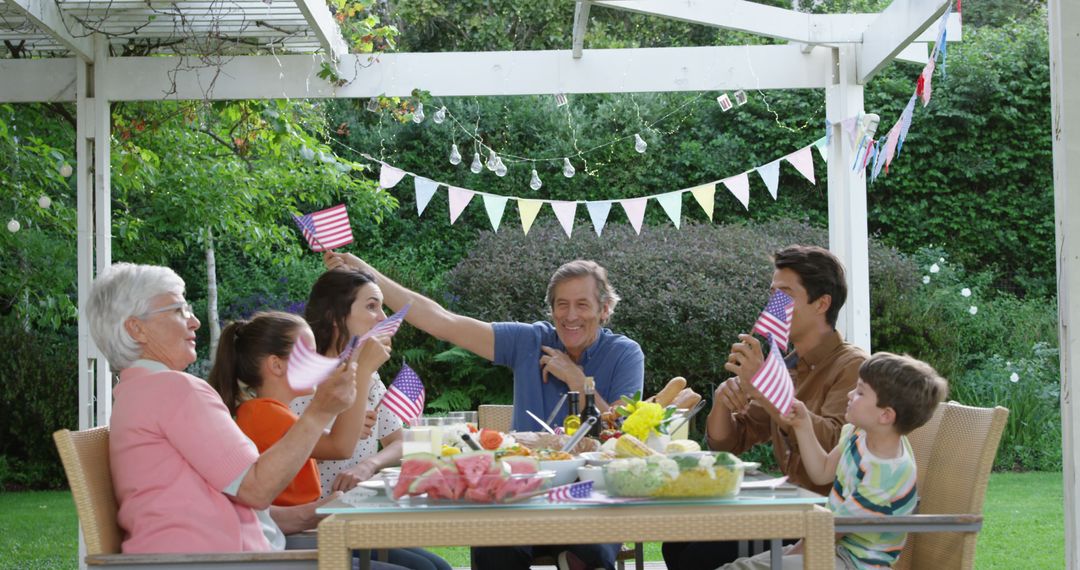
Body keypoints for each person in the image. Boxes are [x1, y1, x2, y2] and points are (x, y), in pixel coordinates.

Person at [324, 252, 645, 570]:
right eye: (562, 304)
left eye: (582, 304)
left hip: (590, 496)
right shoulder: (530, 341)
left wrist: (577, 381)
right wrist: (366, 273)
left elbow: (623, 434)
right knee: (492, 541)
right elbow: (442, 322)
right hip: (521, 497)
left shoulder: (625, 354)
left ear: (604, 310)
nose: (570, 315)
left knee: (596, 548)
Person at [83, 262, 400, 569]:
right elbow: (257, 489)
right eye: (178, 311)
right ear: (136, 328)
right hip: (219, 561)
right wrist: (320, 411)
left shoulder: (138, 392)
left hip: (212, 556)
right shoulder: (175, 391)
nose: (194, 321)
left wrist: (311, 513)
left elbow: (238, 498)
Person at [664, 245, 868, 569]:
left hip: (824, 521)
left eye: (785, 294)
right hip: (787, 508)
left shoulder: (853, 367)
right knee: (677, 542)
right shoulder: (787, 365)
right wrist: (722, 401)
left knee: (696, 556)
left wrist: (764, 388)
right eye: (773, 293)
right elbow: (731, 441)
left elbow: (831, 441)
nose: (773, 305)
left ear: (822, 303)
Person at [717, 352, 948, 569]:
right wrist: (803, 423)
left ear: (885, 415)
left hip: (853, 562)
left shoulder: (886, 476)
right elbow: (823, 471)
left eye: (859, 392)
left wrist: (786, 556)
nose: (849, 395)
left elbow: (828, 532)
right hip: (831, 547)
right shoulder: (860, 434)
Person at [291, 267, 452, 570]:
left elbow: (399, 441)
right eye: (371, 306)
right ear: (333, 314)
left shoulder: (367, 372)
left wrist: (370, 464)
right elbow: (333, 446)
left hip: (360, 517)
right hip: (319, 524)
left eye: (382, 307)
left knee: (438, 567)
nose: (383, 318)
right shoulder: (301, 378)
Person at [208, 311, 391, 506]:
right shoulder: (266, 414)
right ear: (277, 365)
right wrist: (362, 370)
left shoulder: (262, 412)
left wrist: (351, 427)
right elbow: (341, 447)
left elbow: (313, 451)